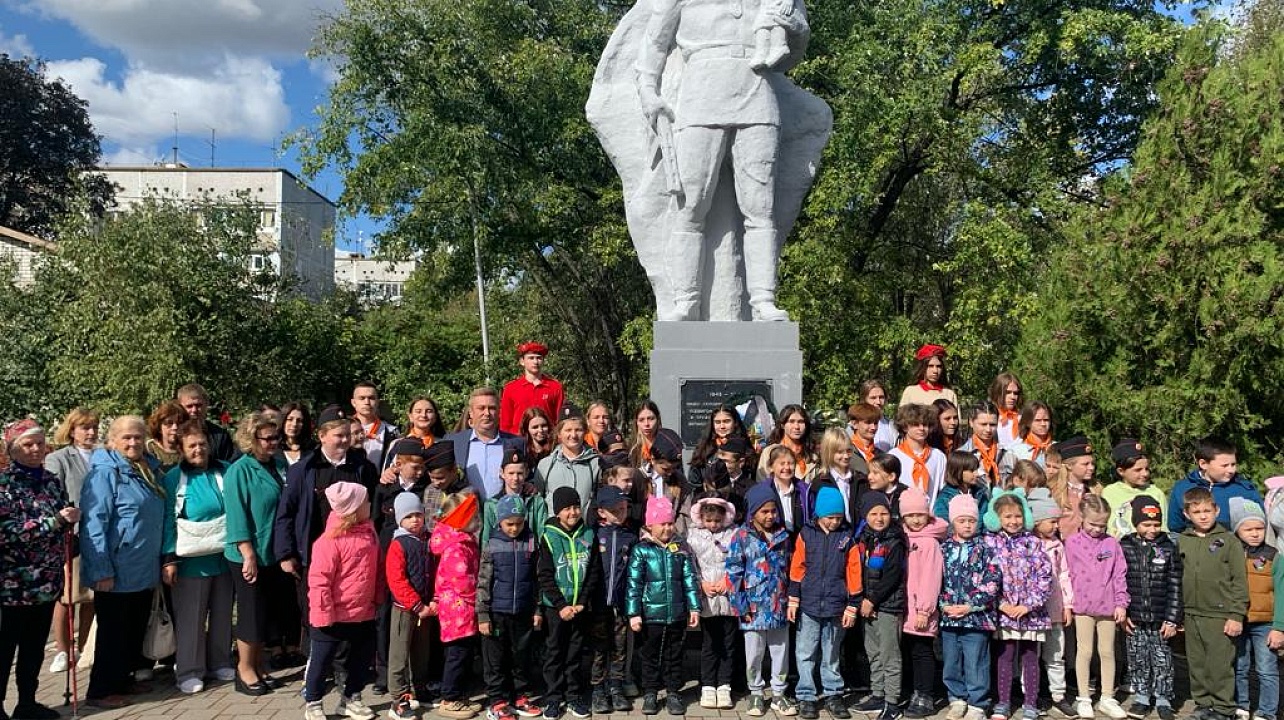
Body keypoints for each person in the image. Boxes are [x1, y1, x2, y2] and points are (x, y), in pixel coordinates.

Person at [80, 415, 165, 709]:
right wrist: (101, 568)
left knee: (132, 628)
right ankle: (100, 690)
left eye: (138, 437)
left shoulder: (146, 470)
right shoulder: (104, 474)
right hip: (116, 568)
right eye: (126, 438)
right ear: (112, 441)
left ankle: (123, 679)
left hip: (142, 567)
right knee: (112, 633)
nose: (133, 442)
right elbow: (94, 523)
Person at [0, 419, 79, 720]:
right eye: (28, 445)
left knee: (33, 647)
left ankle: (27, 702)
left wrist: (69, 519)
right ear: (13, 449)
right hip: (12, 585)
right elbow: (7, 531)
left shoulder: (50, 480)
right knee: (5, 649)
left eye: (40, 443)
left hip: (46, 581)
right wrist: (53, 522)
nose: (36, 449)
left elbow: (60, 518)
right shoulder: (4, 485)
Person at [161, 420, 235, 694]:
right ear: (181, 448)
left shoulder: (225, 471)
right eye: (192, 445)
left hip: (224, 556)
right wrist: (168, 559)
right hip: (190, 562)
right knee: (191, 618)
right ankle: (189, 670)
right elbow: (168, 519)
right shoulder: (173, 479)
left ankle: (221, 661)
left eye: (202, 443)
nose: (198, 449)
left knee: (222, 612)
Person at [302, 482, 381, 720]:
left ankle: (351, 698)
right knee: (321, 660)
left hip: (363, 612)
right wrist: (322, 614)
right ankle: (313, 701)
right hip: (331, 615)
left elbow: (375, 570)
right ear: (354, 509)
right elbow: (319, 581)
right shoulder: (328, 542)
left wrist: (377, 597)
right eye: (366, 501)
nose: (370, 504)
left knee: (362, 657)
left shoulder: (369, 533)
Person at [223, 412, 288, 696]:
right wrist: (247, 552)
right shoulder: (240, 470)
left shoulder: (278, 464)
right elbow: (237, 515)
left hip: (272, 552)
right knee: (250, 613)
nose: (274, 443)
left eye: (277, 437)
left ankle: (259, 664)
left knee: (264, 614)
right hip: (249, 554)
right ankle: (244, 669)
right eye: (268, 438)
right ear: (252, 440)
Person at [788, 486, 862, 720]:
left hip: (836, 605)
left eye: (839, 517)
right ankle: (806, 695)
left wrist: (852, 603)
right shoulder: (806, 534)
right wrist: (793, 599)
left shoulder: (847, 537)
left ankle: (833, 693)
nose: (835, 522)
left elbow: (853, 571)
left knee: (831, 653)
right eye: (831, 517)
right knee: (805, 651)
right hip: (809, 604)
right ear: (819, 515)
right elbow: (797, 568)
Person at [1178, 487, 1247, 720]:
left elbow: (1239, 581)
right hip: (1191, 612)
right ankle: (1204, 703)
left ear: (1216, 510)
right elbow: (1176, 578)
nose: (1203, 516)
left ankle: (1223, 708)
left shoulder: (1228, 541)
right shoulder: (1182, 541)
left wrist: (1236, 614)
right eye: (1197, 512)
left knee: (1219, 665)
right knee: (1197, 663)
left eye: (1208, 510)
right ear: (1187, 514)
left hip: (1220, 614)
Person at [627, 497, 700, 717]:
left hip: (676, 614)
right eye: (663, 524)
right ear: (650, 525)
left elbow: (689, 579)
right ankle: (650, 691)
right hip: (651, 615)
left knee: (674, 654)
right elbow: (634, 583)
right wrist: (634, 613)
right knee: (650, 655)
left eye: (671, 523)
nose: (668, 528)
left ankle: (673, 691)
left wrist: (694, 608)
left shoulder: (680, 548)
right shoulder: (642, 550)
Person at [727, 484, 794, 717]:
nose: (770, 516)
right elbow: (734, 573)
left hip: (779, 606)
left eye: (773, 510)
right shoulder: (742, 537)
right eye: (764, 511)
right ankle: (756, 692)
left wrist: (791, 600)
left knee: (780, 652)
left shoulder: (784, 536)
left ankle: (779, 693)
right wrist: (739, 605)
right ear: (753, 512)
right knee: (754, 653)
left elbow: (791, 569)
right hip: (753, 608)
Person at [984, 490, 1052, 720]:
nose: (1013, 521)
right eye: (1007, 517)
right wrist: (1000, 603)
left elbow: (1044, 576)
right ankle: (1003, 702)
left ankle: (1031, 703)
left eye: (1017, 516)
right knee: (1005, 656)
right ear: (997, 519)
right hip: (1004, 612)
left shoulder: (1034, 543)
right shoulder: (990, 543)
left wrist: (1029, 605)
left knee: (1030, 657)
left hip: (1031, 614)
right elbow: (985, 577)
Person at [478, 494, 544, 720]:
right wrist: (483, 615)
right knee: (496, 659)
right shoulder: (492, 544)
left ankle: (519, 696)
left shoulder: (531, 541)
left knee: (521, 656)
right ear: (499, 522)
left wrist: (537, 609)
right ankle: (497, 700)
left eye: (519, 523)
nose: (514, 528)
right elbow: (483, 581)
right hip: (497, 612)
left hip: (523, 611)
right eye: (509, 524)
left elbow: (537, 579)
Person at [44, 406, 99, 674]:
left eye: (94, 427)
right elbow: (52, 492)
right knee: (67, 596)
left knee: (90, 594)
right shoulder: (59, 458)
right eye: (84, 427)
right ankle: (63, 650)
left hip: (98, 535)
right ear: (72, 430)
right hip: (72, 535)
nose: (90, 432)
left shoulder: (103, 455)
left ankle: (86, 645)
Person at [539, 487, 601, 720]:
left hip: (579, 607)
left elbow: (593, 571)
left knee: (575, 653)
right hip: (557, 608)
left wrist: (583, 601)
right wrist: (560, 605)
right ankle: (554, 698)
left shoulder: (588, 535)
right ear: (558, 512)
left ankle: (574, 695)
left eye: (576, 507)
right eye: (567, 509)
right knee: (555, 652)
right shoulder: (549, 536)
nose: (573, 513)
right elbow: (545, 575)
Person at [1065, 494, 1130, 720]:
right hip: (1082, 606)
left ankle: (1107, 697)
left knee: (1107, 651)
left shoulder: (1112, 543)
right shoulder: (1071, 543)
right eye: (1092, 524)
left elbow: (1119, 574)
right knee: (1084, 651)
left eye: (1102, 525)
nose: (1097, 529)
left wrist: (1121, 602)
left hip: (1108, 606)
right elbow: (1066, 574)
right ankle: (1083, 697)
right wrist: (1067, 603)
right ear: (1082, 518)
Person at [939, 494, 1001, 720]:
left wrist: (970, 606)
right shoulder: (944, 549)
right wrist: (944, 604)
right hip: (949, 616)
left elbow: (992, 582)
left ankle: (978, 703)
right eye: (962, 520)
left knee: (976, 662)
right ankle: (956, 698)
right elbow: (936, 579)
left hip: (977, 618)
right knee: (952, 661)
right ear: (953, 521)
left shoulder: (985, 549)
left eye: (971, 521)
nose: (967, 525)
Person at [1119, 498, 1182, 720]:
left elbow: (1175, 584)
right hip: (1134, 618)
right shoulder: (1124, 546)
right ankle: (1142, 697)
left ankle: (1164, 698)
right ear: (1135, 523)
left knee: (1162, 659)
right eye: (1146, 525)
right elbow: (1119, 582)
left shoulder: (1168, 547)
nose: (1152, 530)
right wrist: (1123, 612)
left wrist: (1172, 618)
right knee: (1138, 659)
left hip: (1160, 618)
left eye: (1156, 524)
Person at [853, 491, 907, 720]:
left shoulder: (895, 539)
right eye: (873, 513)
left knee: (890, 654)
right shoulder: (864, 538)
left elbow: (892, 575)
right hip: (868, 605)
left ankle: (892, 701)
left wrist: (872, 600)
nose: (879, 518)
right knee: (873, 652)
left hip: (887, 605)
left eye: (883, 513)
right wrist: (863, 599)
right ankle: (877, 693)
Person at [430, 493, 484, 719]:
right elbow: (463, 582)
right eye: (474, 515)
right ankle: (449, 698)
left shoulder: (463, 541)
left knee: (462, 654)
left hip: (461, 611)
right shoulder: (457, 547)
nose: (478, 519)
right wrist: (480, 599)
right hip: (459, 611)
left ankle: (457, 694)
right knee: (457, 655)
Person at [686, 497, 739, 711]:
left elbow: (737, 561)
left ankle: (724, 684)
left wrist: (727, 581)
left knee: (728, 643)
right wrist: (702, 584)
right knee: (709, 643)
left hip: (727, 598)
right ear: (701, 518)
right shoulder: (692, 536)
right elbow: (690, 564)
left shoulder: (734, 534)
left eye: (717, 520)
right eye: (709, 520)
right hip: (707, 597)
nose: (713, 525)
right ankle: (708, 684)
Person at [899, 488, 948, 719]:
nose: (916, 520)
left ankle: (925, 695)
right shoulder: (904, 538)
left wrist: (924, 610)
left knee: (922, 651)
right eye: (911, 516)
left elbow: (931, 578)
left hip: (920, 610)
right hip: (905, 608)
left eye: (920, 514)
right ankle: (913, 691)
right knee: (909, 650)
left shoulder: (929, 543)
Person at [590, 485, 639, 714]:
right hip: (598, 605)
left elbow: (633, 573)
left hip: (621, 604)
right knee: (599, 648)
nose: (622, 513)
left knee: (619, 648)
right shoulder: (593, 535)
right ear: (601, 512)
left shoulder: (630, 536)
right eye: (616, 510)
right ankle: (598, 689)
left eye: (624, 508)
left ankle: (616, 687)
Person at [1229, 499, 1279, 720]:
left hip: (1265, 622)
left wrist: (1280, 627)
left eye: (1259, 528)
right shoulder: (1229, 552)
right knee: (1239, 666)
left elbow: (1282, 592)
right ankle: (1241, 706)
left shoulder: (1273, 555)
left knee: (1266, 669)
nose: (1255, 533)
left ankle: (1267, 711)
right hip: (1238, 620)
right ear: (1236, 529)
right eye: (1248, 528)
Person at [385, 493, 433, 720]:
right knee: (399, 654)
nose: (415, 520)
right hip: (405, 609)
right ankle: (398, 699)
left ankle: (418, 688)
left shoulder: (427, 539)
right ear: (400, 520)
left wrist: (432, 601)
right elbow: (397, 580)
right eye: (409, 516)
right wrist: (415, 604)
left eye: (418, 515)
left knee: (421, 652)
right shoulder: (398, 544)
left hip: (426, 607)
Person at [1028, 490, 1074, 719]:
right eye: (1052, 521)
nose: (1056, 526)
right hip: (1034, 612)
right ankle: (1030, 695)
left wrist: (1068, 605)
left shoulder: (1058, 546)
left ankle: (1058, 695)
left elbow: (1064, 575)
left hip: (1055, 608)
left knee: (1056, 655)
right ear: (1037, 522)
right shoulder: (1028, 545)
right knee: (1031, 656)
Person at [1168, 437, 1263, 533]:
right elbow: (1175, 527)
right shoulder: (1182, 488)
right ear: (1203, 464)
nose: (1231, 470)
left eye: (1233, 464)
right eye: (1224, 465)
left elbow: (1260, 525)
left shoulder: (1245, 490)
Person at [444, 388, 522, 501]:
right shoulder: (453, 442)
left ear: (499, 411)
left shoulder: (516, 443)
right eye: (481, 408)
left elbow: (525, 476)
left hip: (504, 512)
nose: (487, 413)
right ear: (471, 412)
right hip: (465, 511)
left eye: (492, 408)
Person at [482, 448, 549, 545]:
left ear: (526, 473)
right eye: (511, 473)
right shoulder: (492, 504)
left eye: (520, 473)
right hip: (501, 555)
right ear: (502, 473)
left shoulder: (536, 502)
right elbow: (486, 538)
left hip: (529, 556)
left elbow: (542, 534)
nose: (515, 478)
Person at [1102, 440, 1167, 537]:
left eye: (1146, 469)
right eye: (1138, 470)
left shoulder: (1156, 493)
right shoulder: (1109, 493)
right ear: (1121, 471)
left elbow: (1163, 528)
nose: (1145, 474)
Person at [536, 416, 601, 511]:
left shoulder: (596, 463)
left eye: (578, 430)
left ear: (585, 432)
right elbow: (538, 500)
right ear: (559, 434)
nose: (573, 435)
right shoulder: (546, 464)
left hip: (584, 524)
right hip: (553, 524)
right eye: (568, 430)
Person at [500, 341, 565, 436]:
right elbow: (505, 423)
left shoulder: (555, 387)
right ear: (522, 361)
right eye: (531, 358)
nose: (535, 362)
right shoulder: (511, 388)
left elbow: (560, 419)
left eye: (539, 358)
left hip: (547, 441)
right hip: (519, 442)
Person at [890, 404, 946, 506]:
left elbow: (943, 490)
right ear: (905, 427)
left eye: (925, 424)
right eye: (916, 424)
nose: (922, 428)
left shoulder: (938, 456)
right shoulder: (894, 455)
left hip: (930, 515)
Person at [1048, 436, 1101, 538]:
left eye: (1092, 464)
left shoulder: (1095, 490)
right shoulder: (1053, 492)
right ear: (1069, 466)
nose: (1091, 468)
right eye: (1085, 464)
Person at [688, 405, 750, 489]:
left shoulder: (745, 448)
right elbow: (694, 482)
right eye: (717, 422)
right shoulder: (703, 449)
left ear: (735, 422)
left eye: (726, 421)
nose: (722, 426)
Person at [382, 396, 448, 471]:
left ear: (435, 417)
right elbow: (385, 474)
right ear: (410, 417)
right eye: (418, 411)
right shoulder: (397, 444)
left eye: (429, 411)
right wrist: (388, 473)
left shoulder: (443, 445)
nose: (423, 415)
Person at [176, 383, 237, 462]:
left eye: (198, 405)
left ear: (206, 404)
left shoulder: (220, 436)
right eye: (189, 406)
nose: (194, 410)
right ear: (180, 407)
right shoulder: (173, 434)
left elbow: (229, 466)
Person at [959, 401, 1014, 488]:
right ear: (971, 423)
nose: (988, 429)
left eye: (992, 424)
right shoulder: (961, 455)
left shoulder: (1008, 454)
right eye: (983, 424)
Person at [759, 404, 818, 483]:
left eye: (801, 422)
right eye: (791, 421)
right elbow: (761, 483)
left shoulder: (812, 455)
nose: (796, 426)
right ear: (782, 425)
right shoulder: (770, 452)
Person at [759, 445, 811, 534]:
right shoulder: (763, 491)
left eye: (790, 463)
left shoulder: (805, 490)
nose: (787, 467)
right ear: (771, 466)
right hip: (773, 541)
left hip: (800, 540)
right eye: (782, 463)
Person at [811, 427, 858, 522]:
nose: (845, 456)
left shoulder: (859, 479)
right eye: (840, 452)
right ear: (829, 452)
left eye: (848, 451)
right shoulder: (820, 482)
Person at [351, 382, 399, 470]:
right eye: (362, 398)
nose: (367, 402)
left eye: (371, 398)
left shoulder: (391, 431)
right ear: (353, 402)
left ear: (377, 402)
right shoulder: (343, 429)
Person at [934, 451, 989, 522]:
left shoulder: (979, 493)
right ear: (958, 471)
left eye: (976, 470)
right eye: (971, 471)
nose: (977, 474)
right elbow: (943, 523)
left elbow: (984, 520)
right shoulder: (945, 497)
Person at [1006, 402, 1054, 467]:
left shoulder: (1058, 447)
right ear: (1028, 422)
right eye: (1038, 420)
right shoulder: (1015, 451)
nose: (1043, 424)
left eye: (1046, 420)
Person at [147, 400, 187, 472]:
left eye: (179, 423)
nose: (175, 427)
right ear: (159, 427)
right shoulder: (149, 449)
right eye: (169, 423)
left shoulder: (188, 450)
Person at [858, 380, 898, 451]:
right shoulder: (854, 427)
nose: (878, 402)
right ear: (864, 400)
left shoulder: (892, 427)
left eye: (881, 397)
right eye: (873, 398)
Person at [987, 373, 1024, 448]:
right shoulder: (988, 419)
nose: (1013, 397)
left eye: (1016, 393)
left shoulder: (1023, 419)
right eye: (1008, 392)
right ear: (997, 392)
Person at [867, 454, 906, 524]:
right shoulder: (869, 496)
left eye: (875, 473)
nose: (869, 477)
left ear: (891, 476)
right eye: (869, 472)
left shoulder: (906, 495)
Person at [846, 402, 883, 472]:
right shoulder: (845, 453)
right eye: (868, 422)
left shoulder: (881, 455)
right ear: (855, 424)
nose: (873, 427)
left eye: (875, 423)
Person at [280, 402, 315, 467]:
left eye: (299, 421)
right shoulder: (274, 449)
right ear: (283, 421)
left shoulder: (313, 450)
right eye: (290, 419)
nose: (294, 424)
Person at [629, 401, 662, 468]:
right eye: (641, 420)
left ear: (658, 420)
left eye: (651, 419)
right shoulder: (633, 451)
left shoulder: (668, 447)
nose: (646, 424)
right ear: (637, 423)